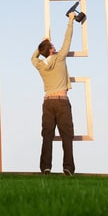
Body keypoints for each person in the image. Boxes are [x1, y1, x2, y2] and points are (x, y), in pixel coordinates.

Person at [31, 11, 76, 176]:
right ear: (51, 49)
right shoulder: (60, 58)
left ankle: (45, 167)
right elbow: (67, 39)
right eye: (51, 45)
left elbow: (32, 58)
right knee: (67, 136)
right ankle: (68, 168)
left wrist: (40, 46)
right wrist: (70, 20)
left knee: (47, 136)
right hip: (62, 101)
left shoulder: (40, 64)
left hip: (48, 102)